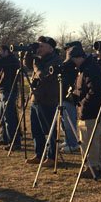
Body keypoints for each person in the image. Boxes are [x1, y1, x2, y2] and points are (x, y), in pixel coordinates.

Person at [67, 44, 101, 177]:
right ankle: (98, 166)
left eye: (73, 60)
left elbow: (95, 90)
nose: (73, 64)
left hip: (91, 111)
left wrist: (83, 103)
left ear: (78, 58)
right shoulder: (89, 67)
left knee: (89, 140)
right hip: (96, 110)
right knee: (97, 140)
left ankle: (92, 167)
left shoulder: (89, 68)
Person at [26, 37, 62, 166]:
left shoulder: (56, 60)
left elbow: (43, 75)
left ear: (50, 48)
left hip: (48, 100)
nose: (39, 49)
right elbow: (27, 64)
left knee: (49, 130)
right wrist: (29, 53)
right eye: (38, 46)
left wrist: (36, 65)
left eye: (42, 46)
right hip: (36, 98)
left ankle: (51, 157)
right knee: (36, 130)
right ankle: (39, 154)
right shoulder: (38, 60)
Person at [0, 45, 21, 149]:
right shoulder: (2, 61)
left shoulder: (11, 61)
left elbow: (5, 66)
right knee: (2, 117)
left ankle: (14, 142)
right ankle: (5, 138)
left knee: (9, 117)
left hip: (9, 91)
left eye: (0, 52)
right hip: (2, 91)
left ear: (7, 51)